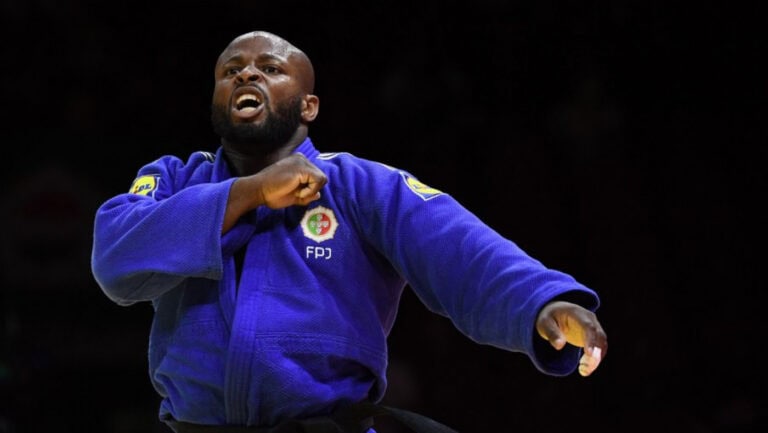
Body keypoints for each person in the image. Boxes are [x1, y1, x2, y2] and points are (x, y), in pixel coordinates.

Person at [90, 30, 608, 433]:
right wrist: (248, 193)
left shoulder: (359, 185)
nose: (247, 75)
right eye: (231, 71)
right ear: (215, 99)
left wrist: (542, 303)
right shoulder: (175, 178)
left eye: (270, 69)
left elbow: (461, 252)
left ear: (308, 105)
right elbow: (115, 257)